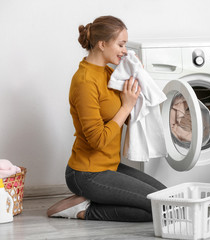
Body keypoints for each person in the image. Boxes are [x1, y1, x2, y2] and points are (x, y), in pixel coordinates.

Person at [47, 15, 166, 222]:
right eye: (121, 44)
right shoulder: (85, 82)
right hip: (86, 174)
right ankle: (83, 210)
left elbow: (126, 120)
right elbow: (98, 140)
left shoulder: (109, 74)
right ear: (102, 44)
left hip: (110, 166)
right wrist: (126, 106)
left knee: (167, 197)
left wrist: (138, 80)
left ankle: (96, 199)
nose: (125, 50)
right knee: (160, 208)